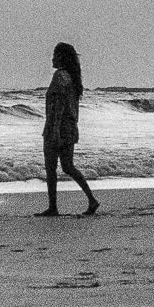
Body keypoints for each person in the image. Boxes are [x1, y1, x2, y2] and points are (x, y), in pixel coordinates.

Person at [39, 42, 98, 216]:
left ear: (61, 57)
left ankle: (53, 207)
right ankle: (91, 199)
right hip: (71, 127)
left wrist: (54, 130)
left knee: (51, 168)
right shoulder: (72, 78)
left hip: (56, 127)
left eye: (55, 54)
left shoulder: (59, 76)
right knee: (68, 166)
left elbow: (58, 105)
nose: (52, 58)